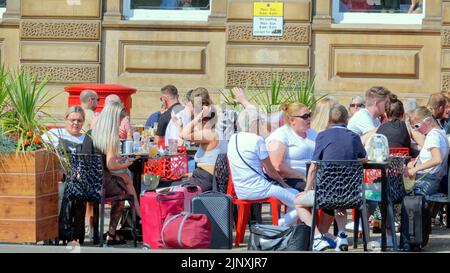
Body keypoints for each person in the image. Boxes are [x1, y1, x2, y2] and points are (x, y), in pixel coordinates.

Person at [295, 104, 367, 252]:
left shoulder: (322, 136)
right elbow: (364, 158)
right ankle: (341, 236)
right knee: (340, 202)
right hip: (349, 193)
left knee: (298, 203)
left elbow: (314, 167)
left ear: (328, 120)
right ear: (346, 119)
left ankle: (317, 238)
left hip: (325, 193)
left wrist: (307, 189)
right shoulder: (354, 136)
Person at [171, 89, 227, 191]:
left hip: (205, 180)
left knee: (169, 190)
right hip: (204, 177)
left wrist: (198, 117)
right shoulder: (213, 133)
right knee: (173, 183)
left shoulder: (209, 134)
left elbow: (183, 135)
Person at [266, 103, 317, 190]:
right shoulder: (280, 135)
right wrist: (302, 176)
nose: (309, 119)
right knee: (315, 192)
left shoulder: (312, 133)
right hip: (289, 179)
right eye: (305, 116)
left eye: (310, 115)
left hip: (312, 177)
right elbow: (276, 166)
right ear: (291, 120)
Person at [407, 106, 450, 196]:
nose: (415, 129)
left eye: (417, 125)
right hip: (433, 180)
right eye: (413, 127)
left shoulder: (432, 135)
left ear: (428, 121)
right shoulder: (440, 132)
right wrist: (414, 163)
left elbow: (437, 159)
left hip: (427, 181)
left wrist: (415, 169)